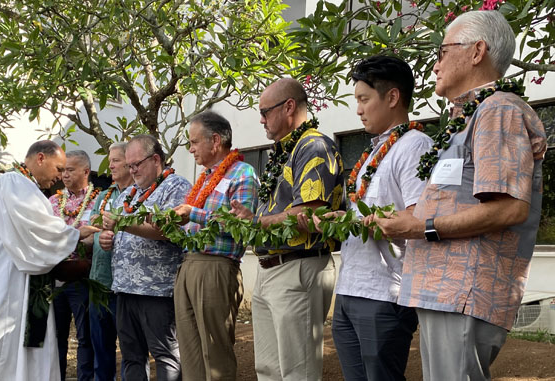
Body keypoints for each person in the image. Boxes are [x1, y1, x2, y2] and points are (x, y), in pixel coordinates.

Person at [373, 11, 547, 381]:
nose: (434, 65)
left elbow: (510, 208)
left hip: (465, 292)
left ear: (476, 51)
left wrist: (423, 227)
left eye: (441, 51)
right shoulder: (469, 116)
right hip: (442, 290)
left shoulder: (498, 109)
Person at [302, 56, 432, 381]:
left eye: (364, 99)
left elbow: (420, 217)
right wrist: (340, 219)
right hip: (351, 287)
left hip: (385, 293)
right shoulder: (375, 150)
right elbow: (364, 212)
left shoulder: (415, 146)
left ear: (392, 97)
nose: (358, 109)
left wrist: (357, 222)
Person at [0, 141, 100, 381]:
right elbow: (37, 232)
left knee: (26, 354)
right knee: (3, 358)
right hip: (6, 288)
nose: (60, 176)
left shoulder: (26, 187)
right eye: (59, 168)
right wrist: (76, 235)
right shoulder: (13, 184)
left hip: (26, 285)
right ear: (41, 158)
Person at [229, 78, 345, 380]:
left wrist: (255, 222)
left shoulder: (314, 145)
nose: (261, 119)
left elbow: (309, 209)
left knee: (297, 371)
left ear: (289, 107)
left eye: (265, 111)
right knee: (268, 369)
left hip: (298, 267)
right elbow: (278, 210)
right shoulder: (283, 151)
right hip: (271, 268)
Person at [171, 111, 259, 380]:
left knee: (215, 352)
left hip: (216, 268)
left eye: (194, 142)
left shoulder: (242, 173)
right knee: (190, 352)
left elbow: (239, 225)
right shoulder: (205, 178)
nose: (190, 149)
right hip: (188, 265)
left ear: (216, 140)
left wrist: (192, 213)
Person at [99, 134, 190, 381]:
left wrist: (123, 225)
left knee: (165, 355)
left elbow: (170, 231)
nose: (132, 170)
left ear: (156, 159)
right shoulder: (129, 192)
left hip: (157, 291)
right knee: (131, 356)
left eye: (136, 164)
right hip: (125, 288)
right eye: (129, 165)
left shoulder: (176, 186)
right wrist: (107, 239)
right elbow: (115, 230)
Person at [48, 150, 99, 381]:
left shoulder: (99, 200)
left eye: (70, 170)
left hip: (83, 278)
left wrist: (77, 240)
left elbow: (95, 238)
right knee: (55, 336)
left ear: (85, 171)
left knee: (85, 336)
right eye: (62, 170)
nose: (64, 175)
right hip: (56, 277)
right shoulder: (53, 202)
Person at [88, 142, 132, 381]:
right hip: (99, 283)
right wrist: (99, 236)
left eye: (115, 160)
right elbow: (93, 228)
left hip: (124, 287)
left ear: (130, 161)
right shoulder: (104, 196)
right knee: (101, 350)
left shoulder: (140, 193)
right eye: (110, 160)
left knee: (130, 351)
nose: (110, 165)